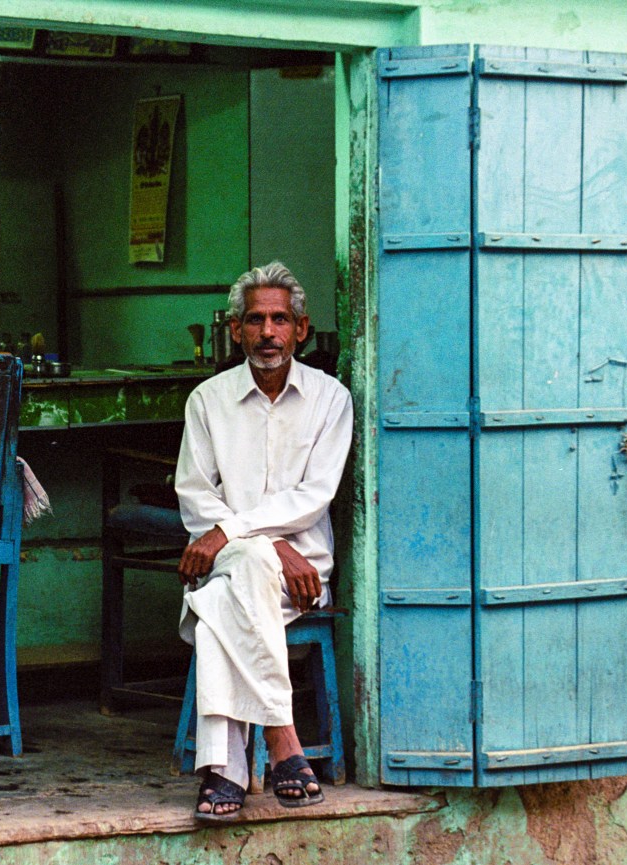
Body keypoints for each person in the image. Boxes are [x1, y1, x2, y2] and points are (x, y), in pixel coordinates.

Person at [174, 261, 353, 822]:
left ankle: (223, 770)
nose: (268, 332)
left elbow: (314, 496)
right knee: (245, 569)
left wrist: (236, 532)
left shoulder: (330, 399)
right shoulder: (207, 400)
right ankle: (284, 743)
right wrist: (265, 543)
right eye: (255, 320)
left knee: (221, 605)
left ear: (301, 329)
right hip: (245, 559)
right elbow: (196, 498)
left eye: (280, 319)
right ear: (236, 329)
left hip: (302, 569)